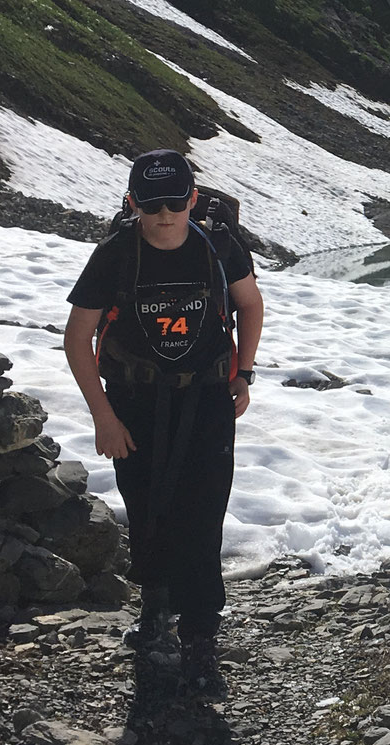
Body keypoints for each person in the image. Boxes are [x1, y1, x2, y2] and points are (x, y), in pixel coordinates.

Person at [62, 150, 263, 699]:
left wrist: (243, 372)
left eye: (176, 201)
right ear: (134, 204)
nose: (165, 214)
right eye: (152, 204)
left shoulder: (219, 245)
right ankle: (156, 608)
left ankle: (200, 638)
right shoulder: (115, 256)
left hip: (207, 400)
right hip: (135, 402)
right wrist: (103, 416)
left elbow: (249, 304)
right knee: (147, 504)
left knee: (202, 514)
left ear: (193, 200)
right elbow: (76, 338)